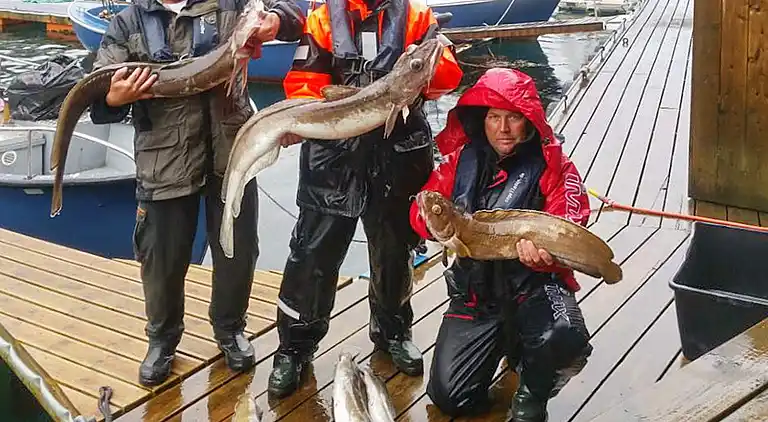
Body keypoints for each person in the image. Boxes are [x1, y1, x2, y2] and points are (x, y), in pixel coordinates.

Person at [89, 0, 305, 386]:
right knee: (163, 259)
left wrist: (275, 20)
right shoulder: (127, 22)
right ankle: (162, 339)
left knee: (237, 251)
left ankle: (230, 328)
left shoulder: (232, 5)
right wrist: (112, 98)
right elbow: (100, 96)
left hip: (231, 153)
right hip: (165, 161)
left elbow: (293, 16)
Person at [266, 0, 463, 398]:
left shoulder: (418, 16)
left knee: (396, 251)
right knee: (312, 256)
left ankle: (393, 332)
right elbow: (303, 80)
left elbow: (446, 80)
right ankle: (293, 349)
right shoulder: (323, 17)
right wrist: (300, 118)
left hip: (399, 156)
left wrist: (432, 62)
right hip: (332, 161)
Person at [409, 68, 594, 422]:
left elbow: (572, 225)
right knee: (449, 397)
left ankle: (533, 393)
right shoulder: (457, 162)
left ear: (530, 121)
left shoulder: (555, 167)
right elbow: (422, 208)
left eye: (513, 117)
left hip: (534, 290)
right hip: (477, 299)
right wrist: (431, 226)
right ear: (483, 119)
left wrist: (545, 260)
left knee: (565, 338)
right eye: (494, 117)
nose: (503, 128)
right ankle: (508, 348)